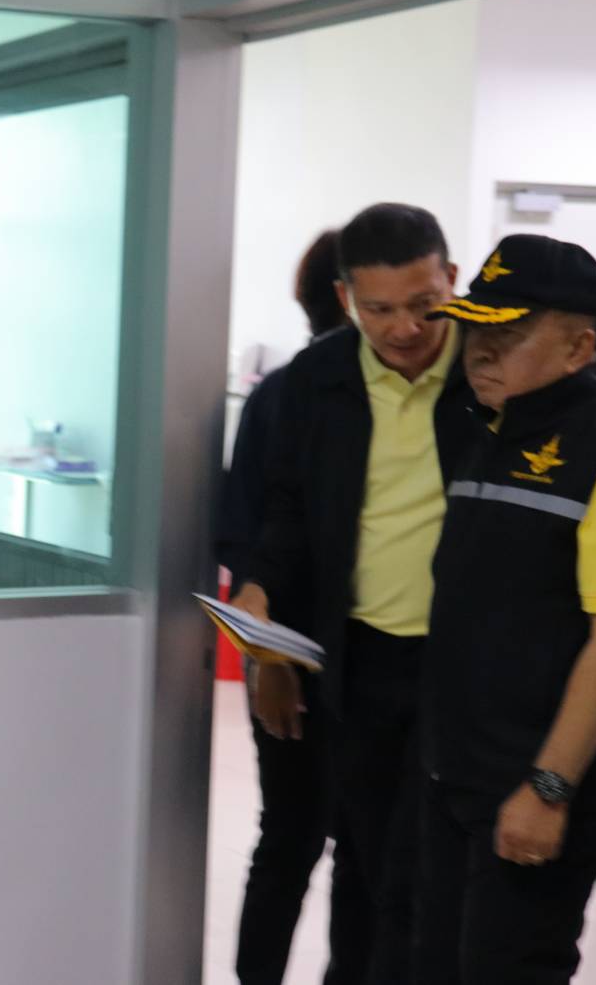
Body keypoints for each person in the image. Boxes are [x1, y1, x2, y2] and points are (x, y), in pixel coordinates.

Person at [231, 202, 473, 985]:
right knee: (364, 862)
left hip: (458, 665)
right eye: (378, 310)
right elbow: (284, 511)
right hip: (355, 660)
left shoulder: (487, 371)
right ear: (344, 299)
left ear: (452, 279)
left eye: (423, 305)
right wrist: (260, 605)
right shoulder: (315, 380)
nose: (404, 328)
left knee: (422, 875)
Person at [418, 234, 596, 985]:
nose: (483, 350)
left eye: (512, 331)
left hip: (533, 788)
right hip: (454, 778)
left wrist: (548, 788)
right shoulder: (490, 433)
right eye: (477, 328)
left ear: (579, 347)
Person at [217, 229, 359, 985]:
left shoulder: (397, 399)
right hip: (295, 659)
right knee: (300, 839)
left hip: (351, 665)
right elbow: (249, 542)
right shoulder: (290, 395)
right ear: (347, 298)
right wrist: (268, 661)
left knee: (332, 845)